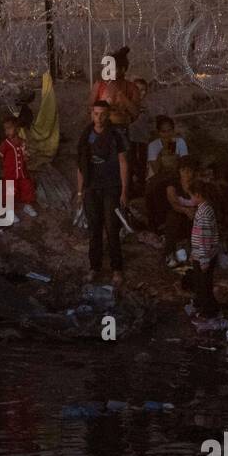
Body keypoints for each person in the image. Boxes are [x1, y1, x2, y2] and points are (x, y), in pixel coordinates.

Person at [76, 100, 129, 284]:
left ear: (108, 115)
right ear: (91, 114)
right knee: (94, 229)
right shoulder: (86, 134)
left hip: (111, 187)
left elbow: (123, 162)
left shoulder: (115, 134)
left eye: (103, 114)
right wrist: (80, 192)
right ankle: (94, 267)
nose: (99, 118)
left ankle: (117, 269)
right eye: (96, 113)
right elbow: (81, 165)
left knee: (112, 228)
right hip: (91, 187)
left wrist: (123, 191)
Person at [186, 178, 222, 317]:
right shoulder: (205, 209)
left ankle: (209, 312)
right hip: (201, 254)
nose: (190, 198)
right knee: (201, 284)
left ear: (198, 195)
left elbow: (205, 239)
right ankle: (202, 305)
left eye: (191, 195)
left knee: (204, 285)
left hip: (204, 256)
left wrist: (204, 260)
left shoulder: (204, 213)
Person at [0, 116, 37, 221]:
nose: (7, 131)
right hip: (10, 173)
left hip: (22, 172)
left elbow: (25, 156)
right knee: (10, 191)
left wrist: (26, 156)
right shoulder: (5, 144)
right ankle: (9, 211)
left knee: (27, 187)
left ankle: (27, 205)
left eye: (10, 128)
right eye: (6, 129)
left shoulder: (22, 142)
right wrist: (3, 168)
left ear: (17, 128)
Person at [161, 160, 199, 263]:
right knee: (173, 218)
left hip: (195, 213)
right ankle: (169, 253)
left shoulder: (197, 185)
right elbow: (174, 203)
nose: (186, 173)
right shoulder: (173, 185)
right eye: (183, 170)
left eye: (189, 170)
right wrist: (186, 210)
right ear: (179, 171)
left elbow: (202, 201)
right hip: (179, 212)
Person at [90, 45, 138, 128]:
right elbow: (90, 108)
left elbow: (136, 112)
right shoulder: (99, 85)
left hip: (123, 129)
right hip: (102, 130)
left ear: (122, 69)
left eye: (112, 68)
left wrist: (122, 96)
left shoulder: (132, 87)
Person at [127, 79, 153, 195]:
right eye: (138, 90)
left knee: (141, 168)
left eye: (144, 90)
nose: (142, 93)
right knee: (131, 167)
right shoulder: (129, 106)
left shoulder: (146, 106)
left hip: (143, 142)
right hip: (131, 141)